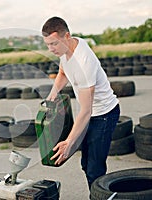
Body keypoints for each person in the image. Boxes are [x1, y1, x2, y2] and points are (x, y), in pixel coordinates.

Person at [41, 16, 120, 191]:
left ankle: (101, 195)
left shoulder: (84, 63)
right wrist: (53, 93)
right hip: (90, 114)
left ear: (66, 36)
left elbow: (85, 110)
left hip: (104, 115)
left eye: (53, 43)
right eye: (47, 44)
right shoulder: (66, 49)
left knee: (95, 168)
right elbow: (62, 72)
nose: (50, 49)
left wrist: (69, 141)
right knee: (86, 164)